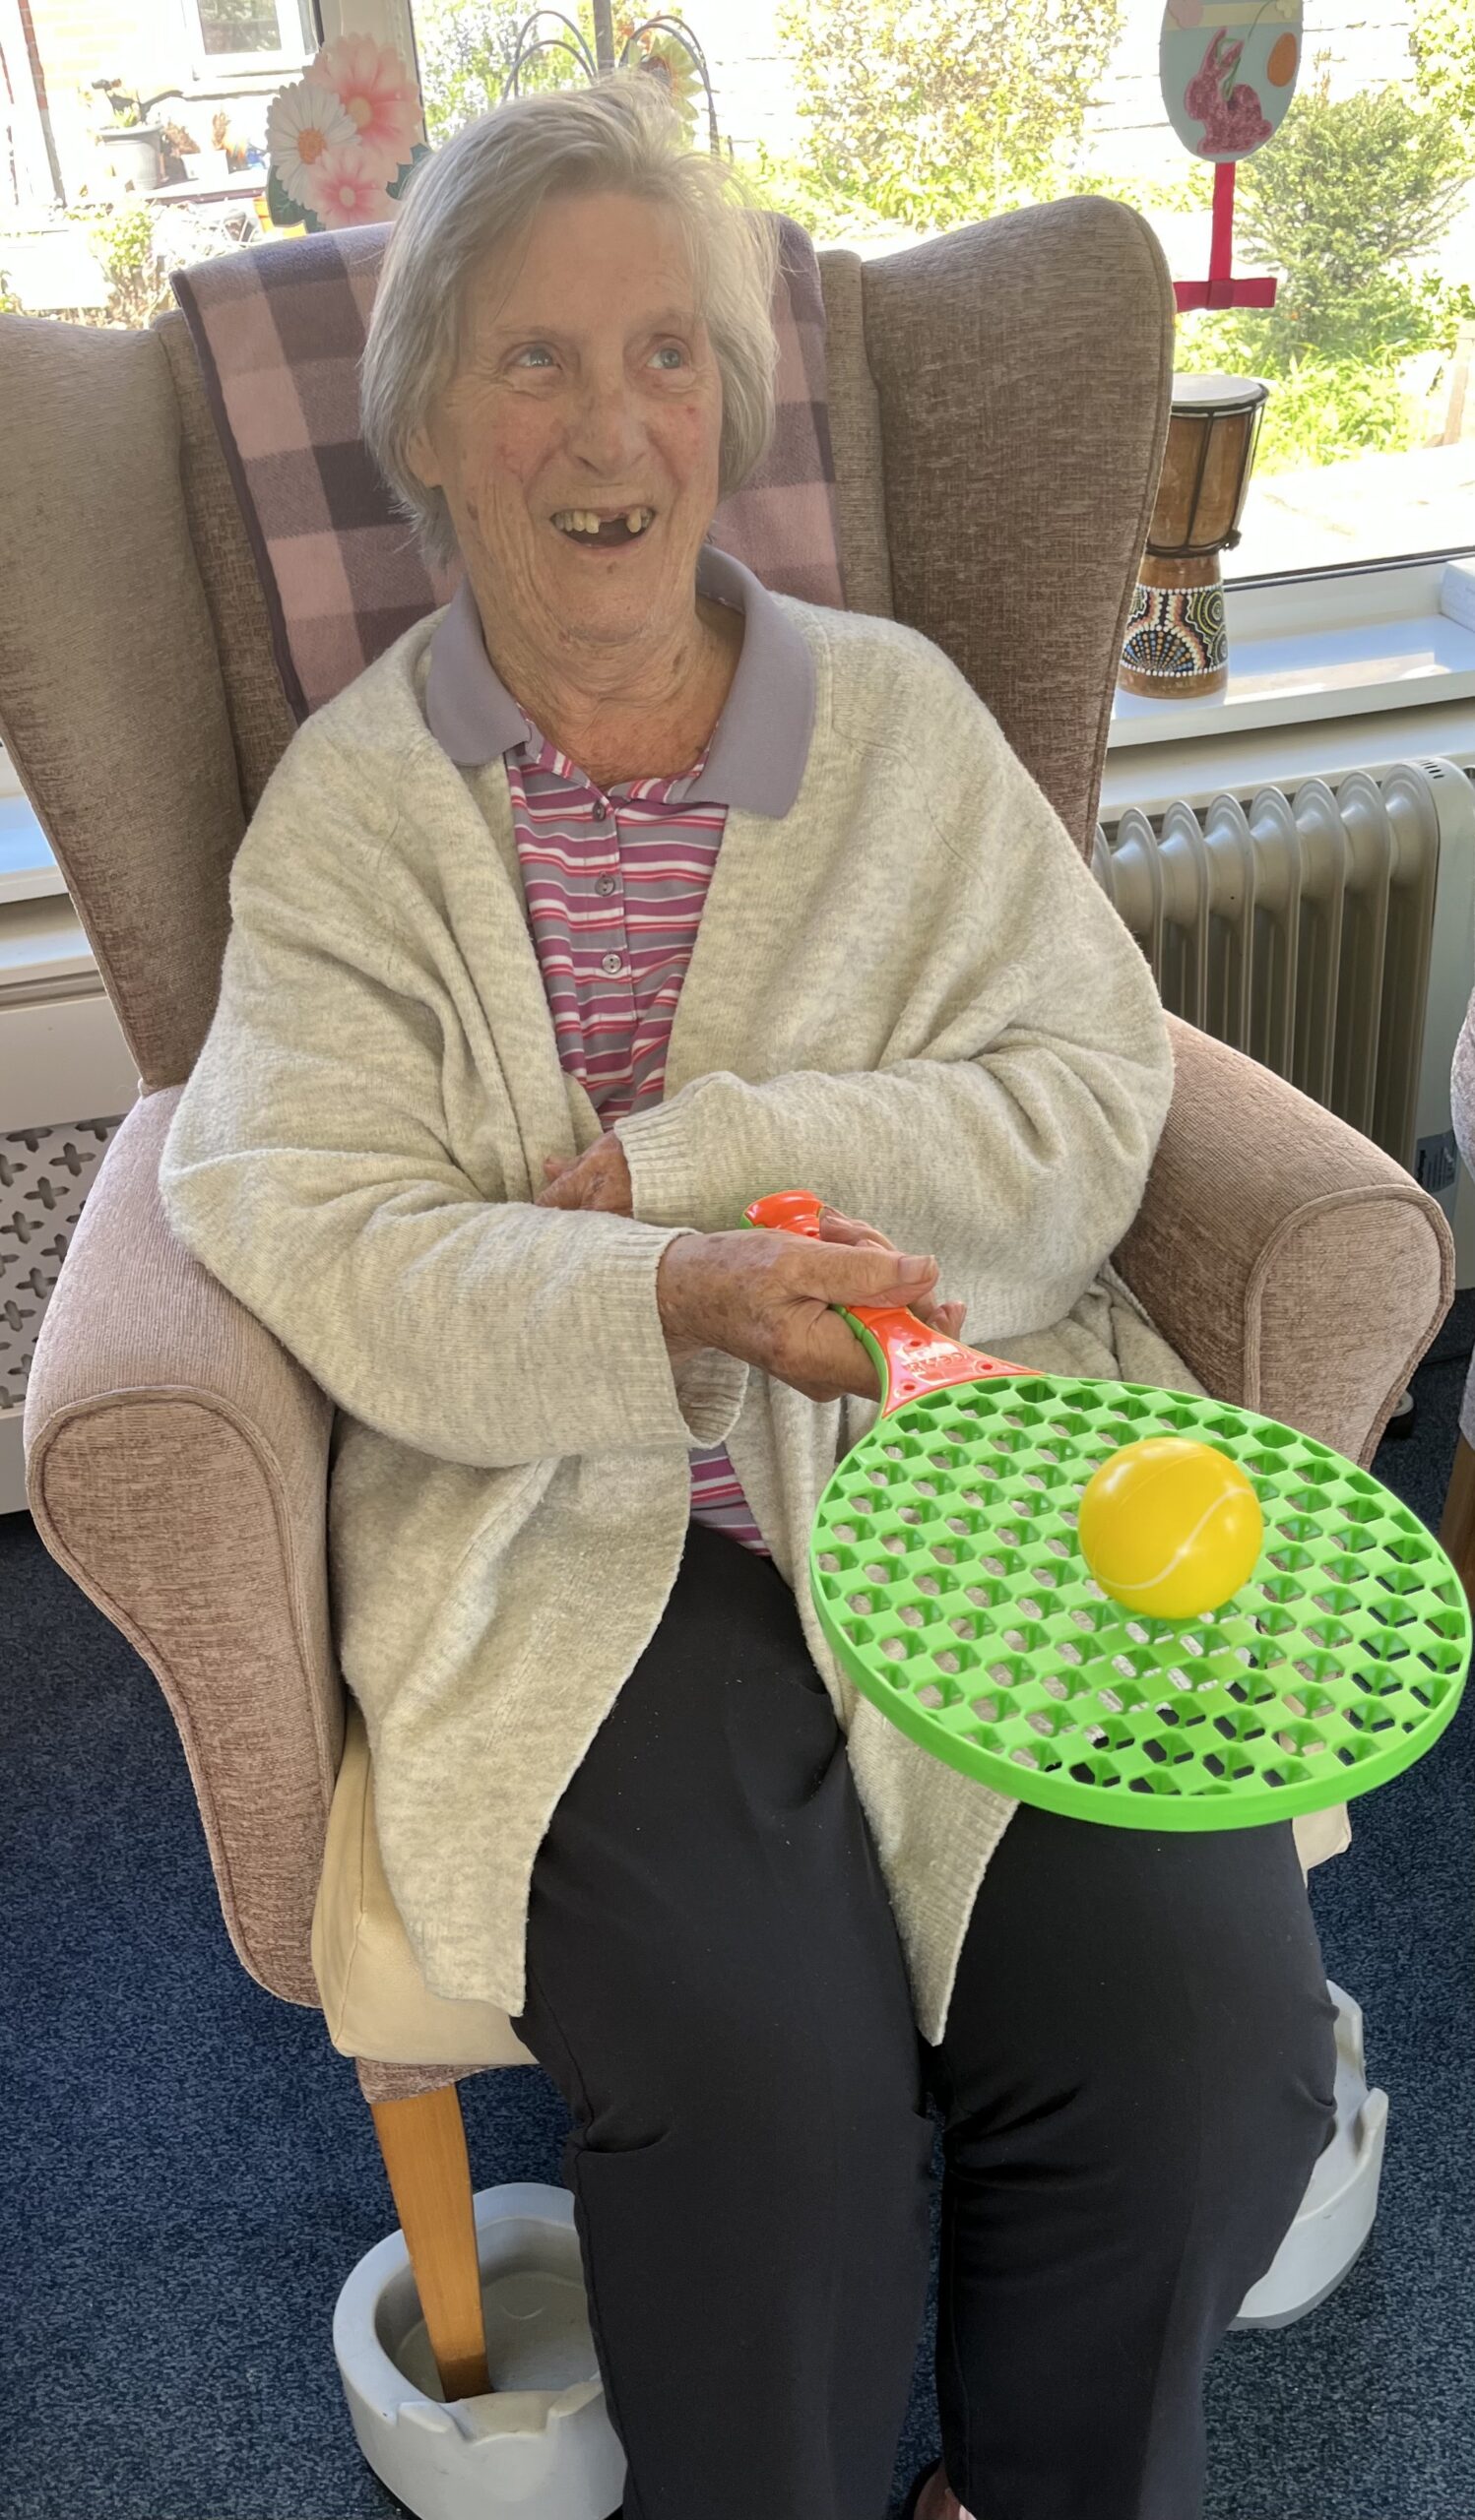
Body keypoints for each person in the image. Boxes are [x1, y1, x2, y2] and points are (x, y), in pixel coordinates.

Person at [159, 73, 1340, 2520]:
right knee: (762, 2065)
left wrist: (713, 1170)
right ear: (431, 438)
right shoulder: (356, 824)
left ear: (733, 396)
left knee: (1203, 2030)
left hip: (958, 1446)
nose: (616, 425)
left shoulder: (894, 722)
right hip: (569, 1517)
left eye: (669, 352)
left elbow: (1078, 1092)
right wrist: (665, 1297)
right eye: (534, 360)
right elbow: (310, 1215)